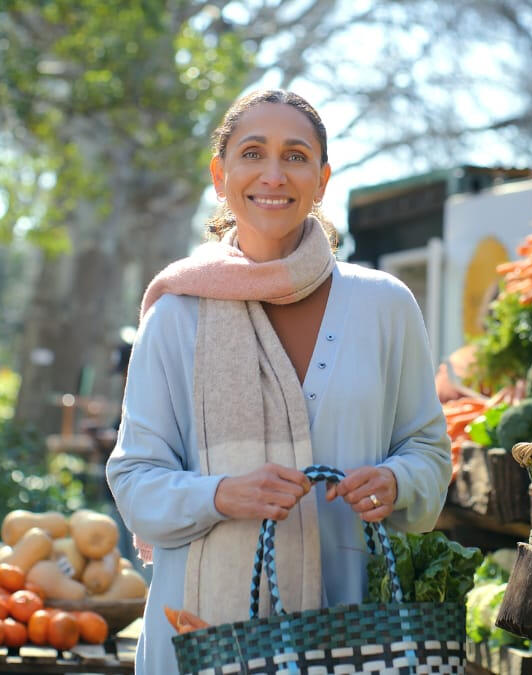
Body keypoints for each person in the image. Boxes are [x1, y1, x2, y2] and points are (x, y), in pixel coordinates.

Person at [106, 89, 452, 674]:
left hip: (350, 637)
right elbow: (135, 479)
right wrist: (221, 494)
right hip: (199, 637)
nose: (273, 174)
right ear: (220, 175)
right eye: (252, 153)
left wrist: (397, 481)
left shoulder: (384, 306)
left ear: (322, 179)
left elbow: (429, 452)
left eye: (295, 156)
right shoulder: (177, 313)